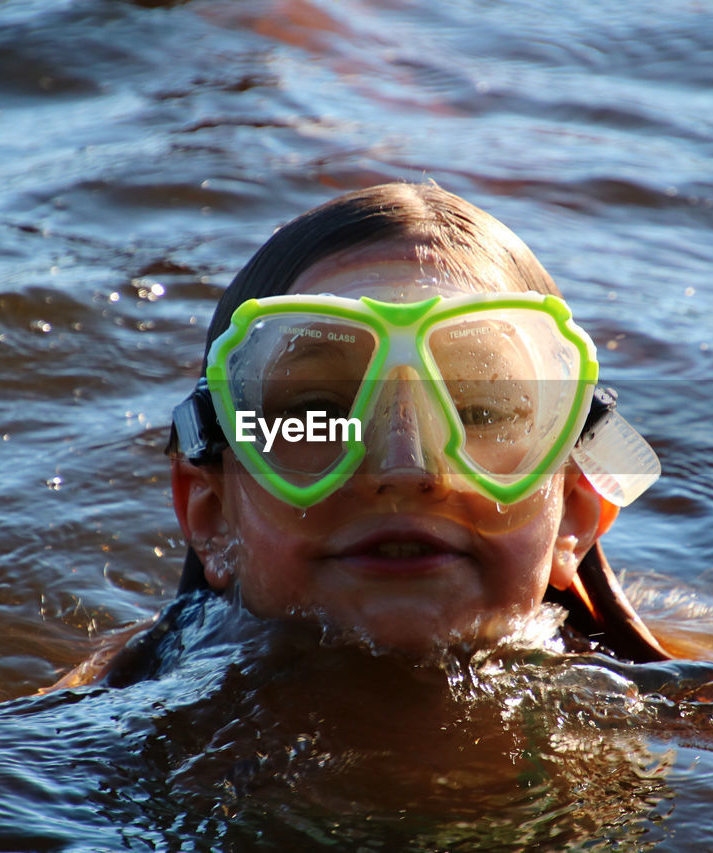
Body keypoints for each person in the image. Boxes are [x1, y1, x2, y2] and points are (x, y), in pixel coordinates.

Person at [56, 182, 669, 690]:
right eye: (318, 410)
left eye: (480, 412)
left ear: (576, 511)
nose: (403, 471)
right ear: (213, 513)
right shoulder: (78, 742)